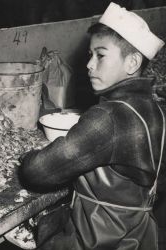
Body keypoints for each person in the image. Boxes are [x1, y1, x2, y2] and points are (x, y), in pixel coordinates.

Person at [19, 2, 166, 249]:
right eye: (90, 55)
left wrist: (27, 156)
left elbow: (38, 172)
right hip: (138, 233)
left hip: (98, 239)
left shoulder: (108, 117)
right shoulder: (154, 109)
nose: (89, 64)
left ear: (132, 63)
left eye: (101, 55)